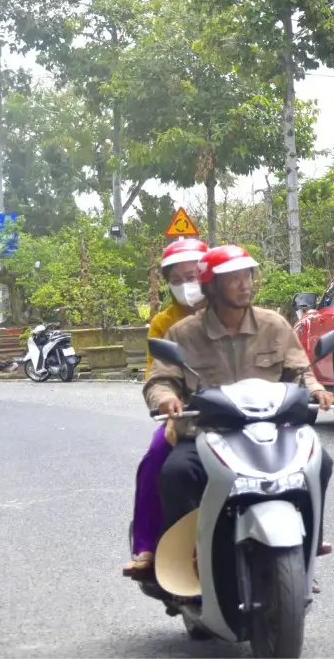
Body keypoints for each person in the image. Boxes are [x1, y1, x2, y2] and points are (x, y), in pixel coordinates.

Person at [144, 244, 334, 548]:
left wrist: (314, 388)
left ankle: (308, 547)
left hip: (268, 433)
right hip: (206, 434)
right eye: (233, 278)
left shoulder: (274, 325)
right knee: (175, 473)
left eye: (247, 275)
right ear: (211, 286)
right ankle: (186, 555)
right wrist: (166, 398)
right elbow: (160, 380)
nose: (244, 283)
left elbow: (299, 369)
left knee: (320, 462)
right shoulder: (183, 334)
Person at [122, 237, 208, 579]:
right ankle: (147, 547)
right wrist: (166, 400)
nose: (188, 285)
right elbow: (156, 374)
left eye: (194, 276)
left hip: (242, 415)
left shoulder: (232, 313)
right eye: (179, 278)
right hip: (187, 418)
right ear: (168, 281)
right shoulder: (164, 323)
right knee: (155, 461)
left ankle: (299, 545)